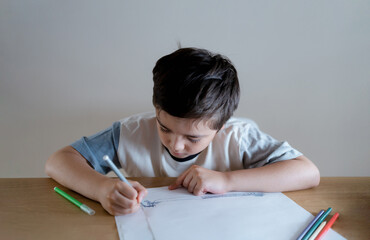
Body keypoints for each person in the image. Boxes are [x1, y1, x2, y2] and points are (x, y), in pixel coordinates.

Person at [45, 47, 320, 216]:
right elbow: (58, 161)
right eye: (164, 128)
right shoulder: (130, 132)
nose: (176, 146)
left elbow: (307, 172)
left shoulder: (239, 137)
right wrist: (102, 188)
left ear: (221, 126)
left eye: (193, 138)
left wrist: (227, 181)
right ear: (156, 109)